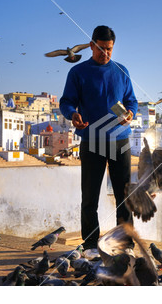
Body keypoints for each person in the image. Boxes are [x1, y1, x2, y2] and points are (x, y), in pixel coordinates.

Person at [59, 25, 138, 252]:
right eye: (102, 49)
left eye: (110, 49)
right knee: (90, 197)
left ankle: (125, 243)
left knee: (124, 196)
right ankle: (92, 244)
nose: (106, 54)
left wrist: (130, 113)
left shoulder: (122, 71)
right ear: (92, 45)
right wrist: (72, 115)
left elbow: (131, 101)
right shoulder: (77, 72)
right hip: (92, 140)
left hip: (119, 140)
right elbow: (66, 102)